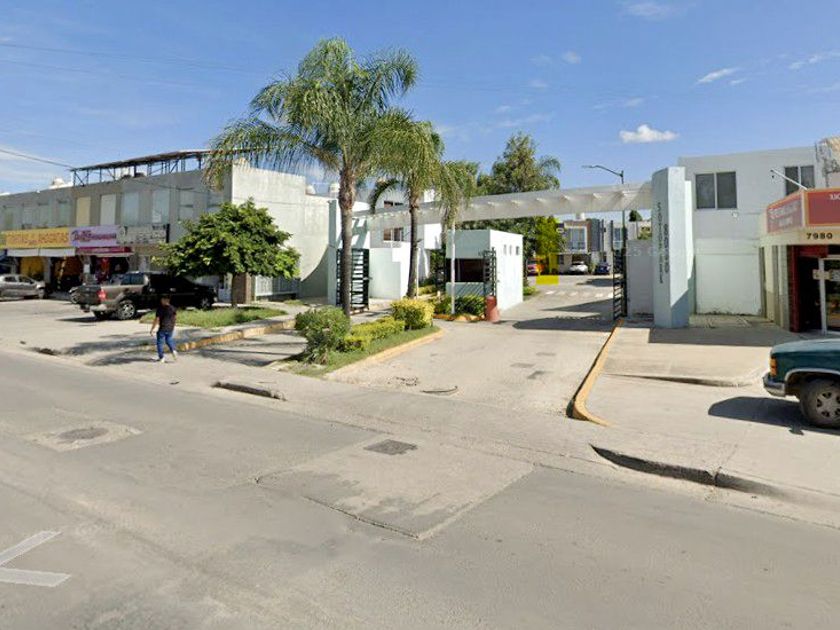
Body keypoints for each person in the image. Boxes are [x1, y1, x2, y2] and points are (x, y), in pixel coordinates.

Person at [150, 295, 178, 363]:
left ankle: (161, 357)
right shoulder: (173, 308)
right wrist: (173, 326)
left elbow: (156, 319)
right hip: (170, 328)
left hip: (162, 328)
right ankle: (173, 350)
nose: (161, 301)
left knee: (160, 343)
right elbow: (175, 318)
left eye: (162, 300)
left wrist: (152, 329)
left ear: (166, 300)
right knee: (169, 340)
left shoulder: (160, 309)